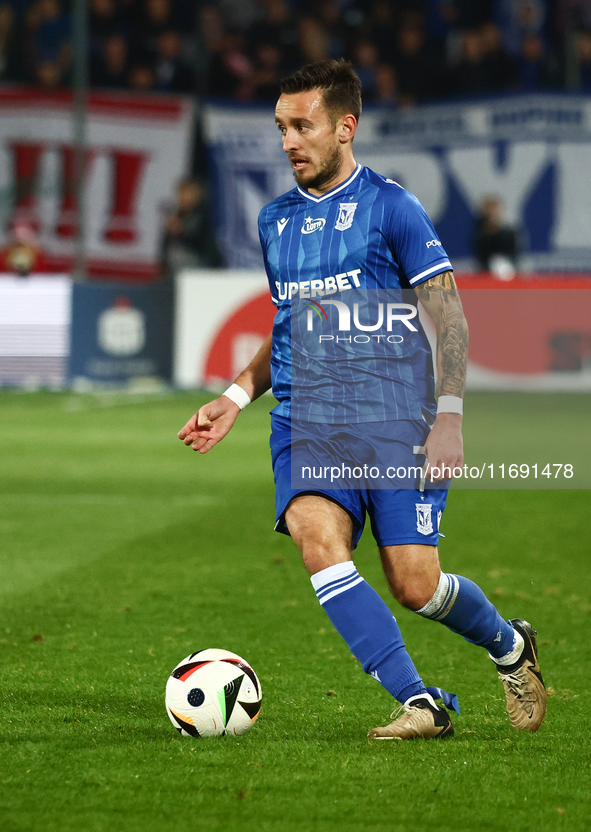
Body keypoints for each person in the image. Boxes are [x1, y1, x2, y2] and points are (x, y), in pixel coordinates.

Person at [178, 60, 547, 741]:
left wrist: (449, 420)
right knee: (315, 538)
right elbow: (288, 321)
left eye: (302, 125)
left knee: (416, 585)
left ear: (345, 127)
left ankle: (507, 645)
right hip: (305, 420)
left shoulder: (392, 207)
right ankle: (420, 701)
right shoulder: (275, 221)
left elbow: (450, 319)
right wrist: (235, 394)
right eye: (282, 126)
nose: (288, 141)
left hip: (394, 420)